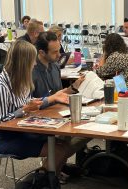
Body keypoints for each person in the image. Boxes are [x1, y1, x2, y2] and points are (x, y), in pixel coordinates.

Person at [0, 40, 70, 176]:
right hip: (8, 138)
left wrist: (52, 98)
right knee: (59, 150)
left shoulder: (21, 80)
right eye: (33, 60)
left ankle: (46, 186)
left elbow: (30, 104)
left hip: (23, 131)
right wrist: (25, 109)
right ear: (23, 63)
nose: (35, 63)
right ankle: (42, 188)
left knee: (65, 146)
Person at [32, 32, 89, 178]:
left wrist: (73, 88)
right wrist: (54, 99)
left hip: (58, 113)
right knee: (67, 140)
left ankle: (54, 170)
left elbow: (58, 93)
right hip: (40, 118)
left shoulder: (55, 66)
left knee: (84, 134)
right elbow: (30, 103)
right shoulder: (32, 70)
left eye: (59, 50)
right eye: (55, 52)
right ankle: (47, 177)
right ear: (42, 52)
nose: (60, 55)